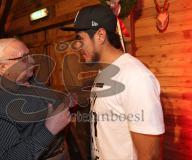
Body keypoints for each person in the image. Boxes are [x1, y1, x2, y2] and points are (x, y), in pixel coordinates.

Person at [61, 4, 165, 160]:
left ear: (100, 36)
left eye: (80, 38)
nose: (77, 46)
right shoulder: (104, 72)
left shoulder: (135, 78)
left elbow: (150, 155)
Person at [0, 38, 71, 160]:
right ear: (3, 66)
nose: (32, 61)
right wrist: (49, 130)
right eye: (23, 59)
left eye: (30, 55)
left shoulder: (35, 82)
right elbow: (9, 157)